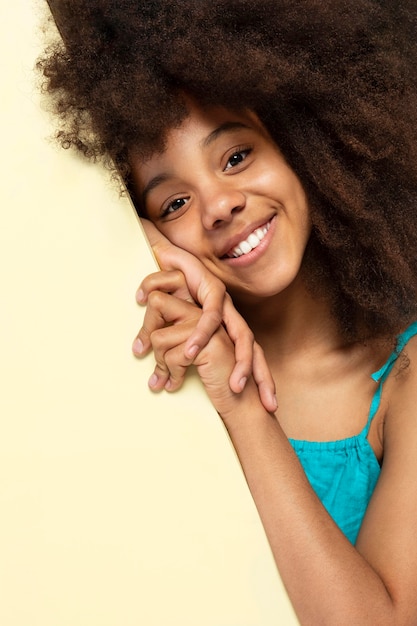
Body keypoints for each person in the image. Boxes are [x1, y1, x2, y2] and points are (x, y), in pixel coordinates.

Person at [39, 1, 417, 623]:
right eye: (173, 202)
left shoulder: (404, 376)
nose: (217, 206)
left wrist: (240, 400)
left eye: (237, 156)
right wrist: (135, 240)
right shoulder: (147, 347)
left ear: (304, 141)